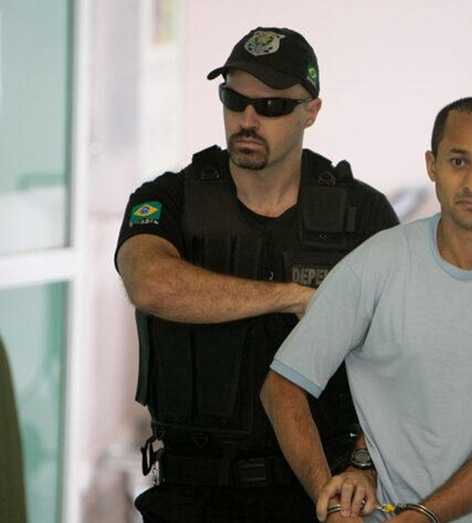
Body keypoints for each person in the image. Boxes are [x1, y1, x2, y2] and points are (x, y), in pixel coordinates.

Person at [261, 96, 472, 522]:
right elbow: (281, 387)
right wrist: (327, 499)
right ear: (432, 165)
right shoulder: (376, 263)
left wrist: (425, 515)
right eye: (458, 161)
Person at [115, 26, 399, 523]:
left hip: (318, 492)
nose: (248, 119)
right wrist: (291, 297)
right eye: (235, 99)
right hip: (191, 495)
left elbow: (398, 359)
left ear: (311, 111)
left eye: (272, 106)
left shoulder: (363, 215)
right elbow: (150, 283)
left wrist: (364, 463)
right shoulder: (169, 199)